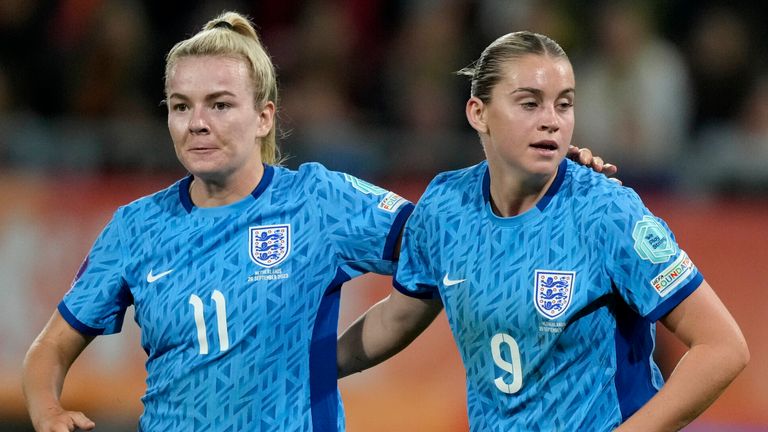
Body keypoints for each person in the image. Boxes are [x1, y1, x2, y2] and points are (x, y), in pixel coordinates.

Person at [21, 11, 613, 432]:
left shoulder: (318, 202)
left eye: (220, 104)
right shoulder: (136, 227)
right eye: (181, 106)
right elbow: (48, 351)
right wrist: (47, 411)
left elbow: (449, 239)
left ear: (263, 116)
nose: (196, 122)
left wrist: (554, 181)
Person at [337, 31, 749, 431]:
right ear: (478, 113)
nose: (551, 121)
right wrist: (307, 366)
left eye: (564, 104)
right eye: (530, 103)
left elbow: (723, 348)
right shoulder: (446, 206)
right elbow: (397, 317)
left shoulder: (606, 212)